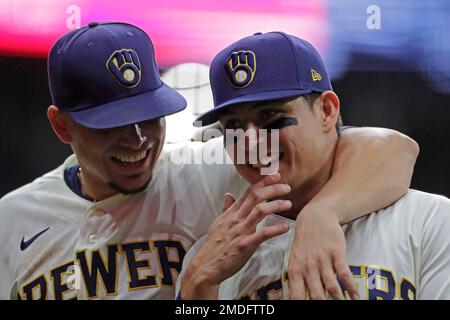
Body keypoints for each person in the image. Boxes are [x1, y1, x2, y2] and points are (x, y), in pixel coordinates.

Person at [0, 23, 419, 300]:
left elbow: (390, 148)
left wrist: (323, 213)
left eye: (149, 115)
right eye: (111, 123)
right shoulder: (12, 220)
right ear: (62, 126)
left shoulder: (204, 169)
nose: (139, 139)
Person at [176, 31, 450, 300]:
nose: (249, 141)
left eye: (269, 115)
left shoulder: (429, 220)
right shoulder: (212, 258)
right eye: (233, 126)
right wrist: (198, 287)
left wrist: (321, 213)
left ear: (327, 111)